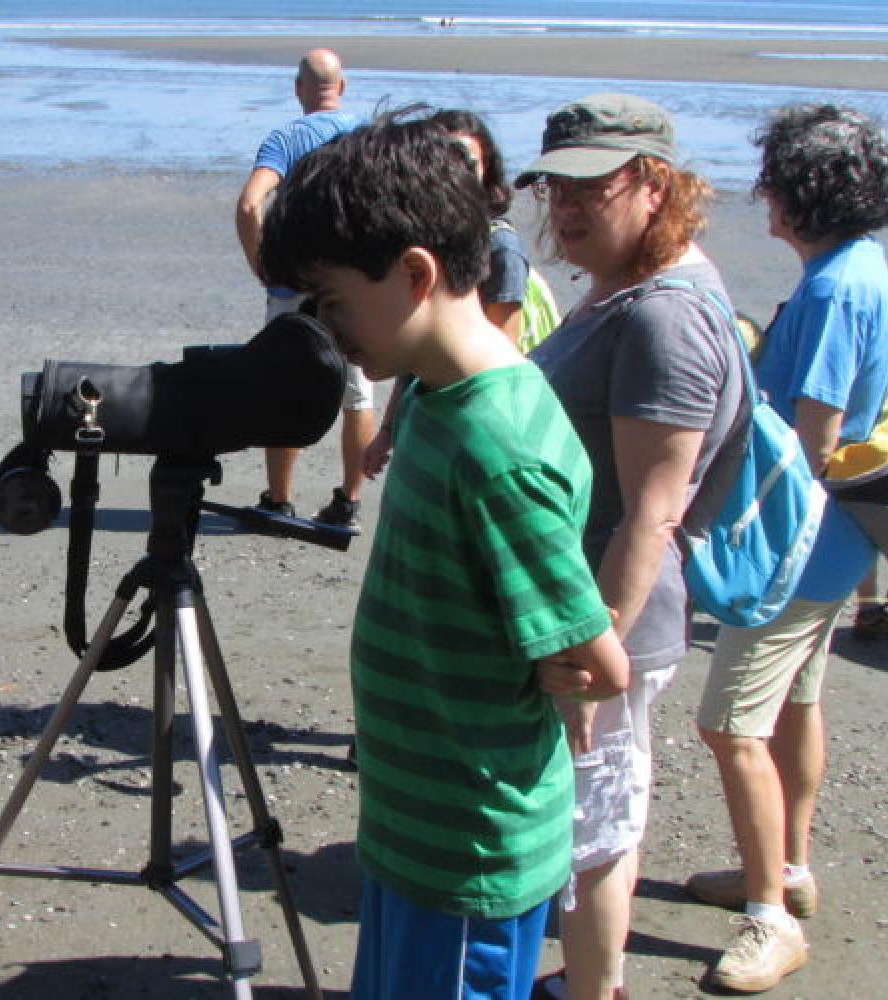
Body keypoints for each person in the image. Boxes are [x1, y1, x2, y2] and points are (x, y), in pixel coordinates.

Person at [259, 113, 630, 1000]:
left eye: (333, 301)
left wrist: (570, 670)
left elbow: (599, 659)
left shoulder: (497, 446)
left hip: (469, 847)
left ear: (416, 274)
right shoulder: (437, 389)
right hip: (414, 824)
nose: (326, 327)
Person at [514, 94, 744, 1000]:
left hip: (610, 624)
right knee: (590, 814)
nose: (564, 208)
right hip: (589, 614)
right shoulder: (622, 288)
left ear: (653, 183)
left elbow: (651, 513)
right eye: (553, 188)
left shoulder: (664, 318)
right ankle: (586, 980)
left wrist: (591, 649)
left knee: (596, 827)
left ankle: (594, 989)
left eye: (589, 188)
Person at [686, 104, 888, 993]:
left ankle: (770, 921)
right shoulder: (864, 267)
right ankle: (787, 869)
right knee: (793, 705)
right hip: (841, 546)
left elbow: (805, 444)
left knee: (728, 723)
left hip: (797, 555)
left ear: (802, 196)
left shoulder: (829, 291)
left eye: (773, 182)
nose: (763, 196)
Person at [235, 47, 375, 528]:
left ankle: (279, 498)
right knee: (357, 394)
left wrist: (262, 264)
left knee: (285, 387)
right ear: (343, 87)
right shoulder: (368, 138)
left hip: (295, 281)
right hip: (355, 282)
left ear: (298, 90)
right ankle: (349, 501)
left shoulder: (286, 138)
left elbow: (251, 204)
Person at [363, 108, 534, 479]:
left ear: (487, 169)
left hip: (466, 432)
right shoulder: (430, 243)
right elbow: (415, 352)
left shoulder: (500, 250)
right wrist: (388, 431)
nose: (454, 172)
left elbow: (501, 366)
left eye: (466, 161)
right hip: (421, 416)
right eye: (442, 160)